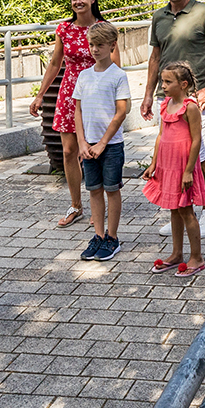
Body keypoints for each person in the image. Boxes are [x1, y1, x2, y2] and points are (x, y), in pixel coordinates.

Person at [141, 0, 205, 222]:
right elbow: (155, 58)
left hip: (194, 100)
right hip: (165, 98)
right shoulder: (159, 17)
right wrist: (148, 94)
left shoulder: (204, 13)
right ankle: (180, 214)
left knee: (197, 158)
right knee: (170, 159)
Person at [31, 0, 103, 232]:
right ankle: (76, 205)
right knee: (69, 151)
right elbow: (54, 63)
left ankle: (98, 207)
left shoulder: (104, 29)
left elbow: (115, 65)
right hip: (69, 93)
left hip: (95, 95)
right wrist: (40, 94)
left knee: (95, 151)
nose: (78, 2)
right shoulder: (63, 29)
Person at [70, 21, 132, 262]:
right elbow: (77, 111)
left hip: (111, 145)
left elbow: (121, 112)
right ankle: (97, 235)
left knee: (111, 189)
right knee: (94, 190)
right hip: (88, 146)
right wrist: (82, 143)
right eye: (92, 45)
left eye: (100, 45)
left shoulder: (118, 76)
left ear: (112, 45)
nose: (95, 49)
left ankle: (112, 237)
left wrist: (103, 143)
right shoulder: (84, 76)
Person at [145, 63, 205, 276]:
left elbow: (197, 139)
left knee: (186, 210)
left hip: (183, 167)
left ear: (183, 84)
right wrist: (154, 163)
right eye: (162, 81)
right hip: (167, 165)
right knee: (173, 208)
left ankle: (197, 257)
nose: (163, 85)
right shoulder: (165, 105)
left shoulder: (190, 107)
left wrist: (189, 170)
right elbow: (161, 135)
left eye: (168, 82)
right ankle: (177, 253)